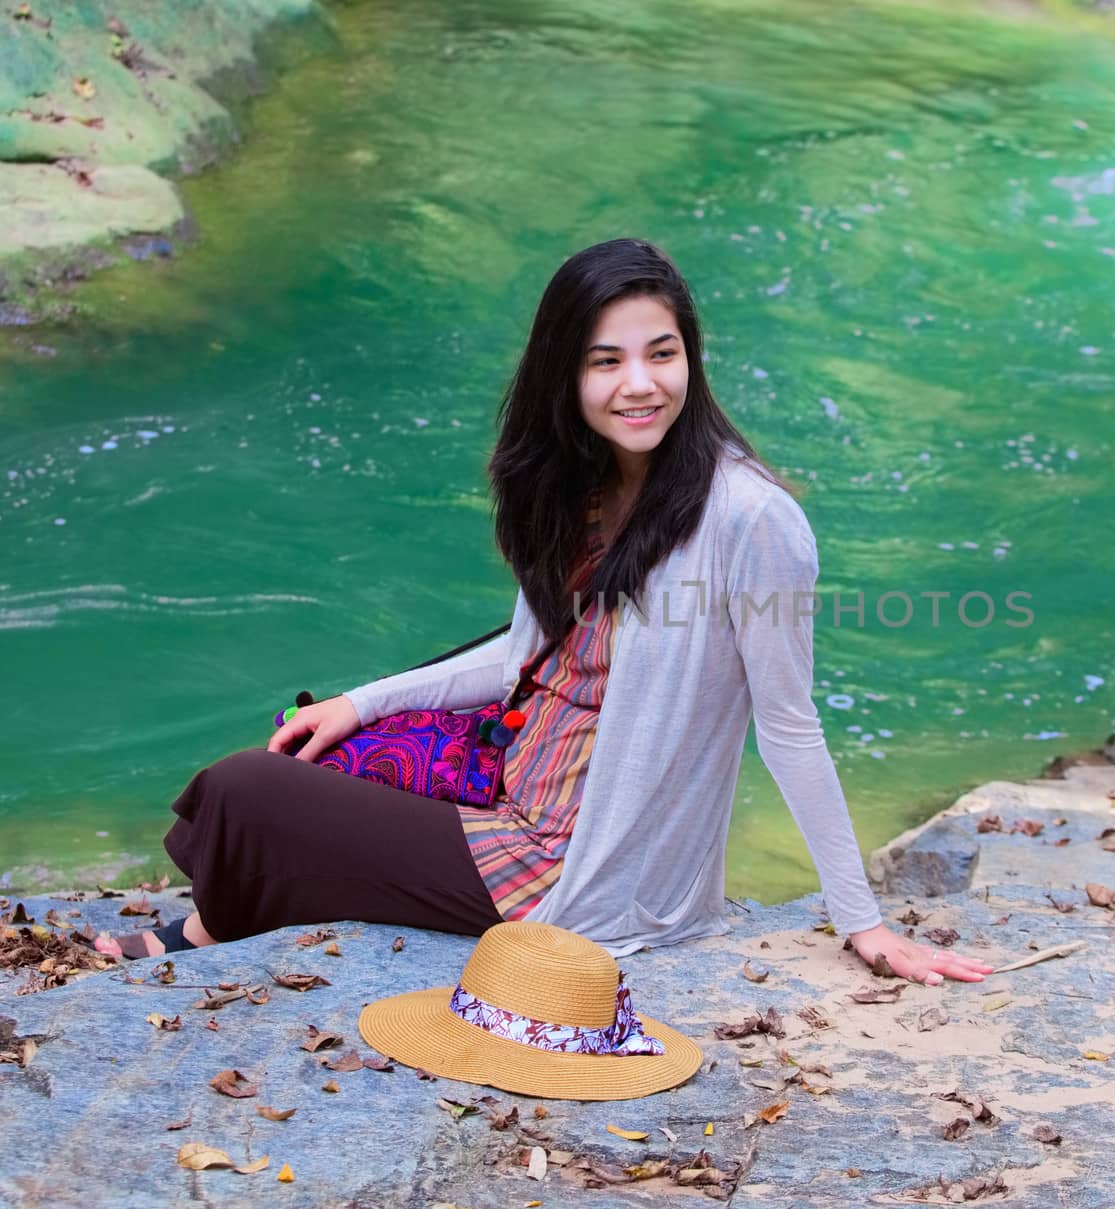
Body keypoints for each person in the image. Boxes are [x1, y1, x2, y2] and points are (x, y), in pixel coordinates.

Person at [96, 238, 990, 989]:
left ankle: (215, 930)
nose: (639, 384)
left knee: (244, 790)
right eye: (607, 360)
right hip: (509, 778)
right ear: (564, 371)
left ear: (692, 357)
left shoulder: (751, 518)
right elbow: (521, 656)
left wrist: (860, 921)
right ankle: (233, 912)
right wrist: (361, 703)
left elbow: (789, 726)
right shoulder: (583, 486)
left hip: (571, 866)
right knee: (312, 738)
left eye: (662, 352)